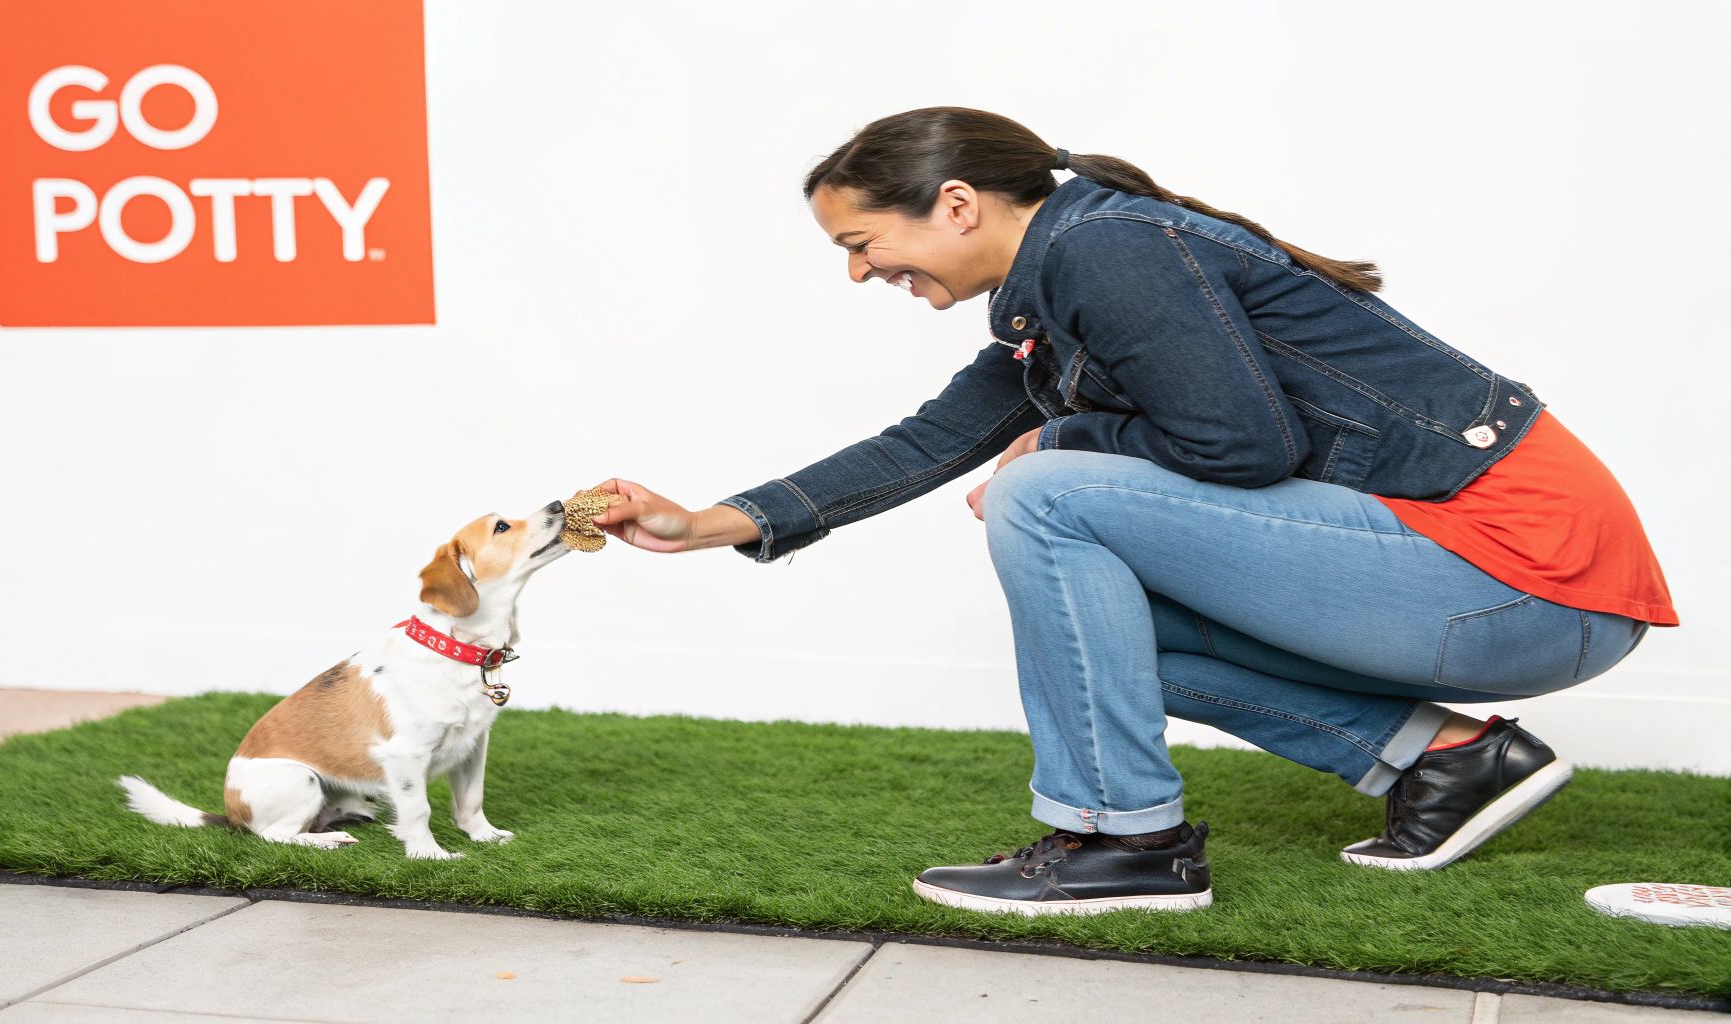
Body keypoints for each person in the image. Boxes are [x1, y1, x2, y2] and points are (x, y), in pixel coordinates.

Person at [579, 106, 1680, 916]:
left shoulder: (1107, 248)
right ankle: (1445, 758)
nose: (859, 273)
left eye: (859, 243)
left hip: (1521, 578)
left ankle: (1119, 840)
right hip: (1482, 583)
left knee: (1044, 494)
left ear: (953, 205)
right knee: (1092, 620)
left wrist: (1059, 442)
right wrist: (705, 524)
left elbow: (1245, 448)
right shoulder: (1052, 296)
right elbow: (921, 443)